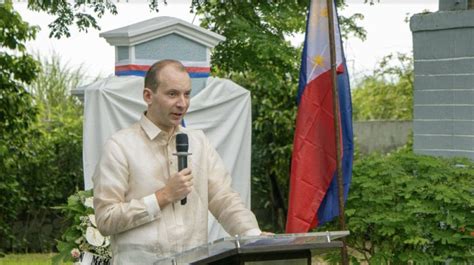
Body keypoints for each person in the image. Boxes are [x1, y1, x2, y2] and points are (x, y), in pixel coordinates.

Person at [93, 59, 262, 263]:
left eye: (187, 94)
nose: (182, 103)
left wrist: (253, 237)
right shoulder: (120, 146)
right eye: (172, 94)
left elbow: (224, 199)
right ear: (148, 95)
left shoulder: (198, 143)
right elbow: (106, 219)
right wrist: (162, 197)